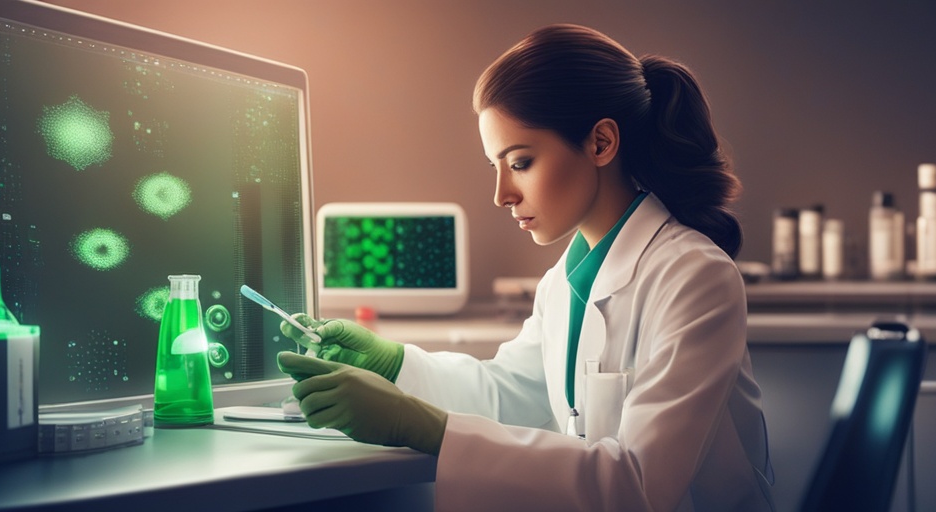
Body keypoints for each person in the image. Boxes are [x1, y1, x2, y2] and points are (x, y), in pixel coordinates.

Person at [277, 23, 775, 512]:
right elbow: (509, 394)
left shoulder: (695, 277)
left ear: (601, 143)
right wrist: (394, 365)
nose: (500, 194)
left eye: (519, 163)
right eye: (495, 166)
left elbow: (637, 485)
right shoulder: (563, 282)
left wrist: (422, 426)